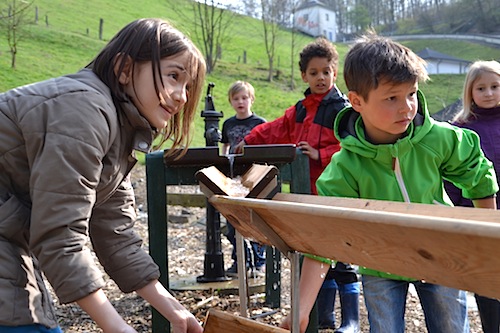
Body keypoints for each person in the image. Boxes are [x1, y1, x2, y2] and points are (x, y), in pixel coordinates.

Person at [0, 18, 206, 333]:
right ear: (124, 69)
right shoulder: (83, 110)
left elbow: (116, 235)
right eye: (174, 76)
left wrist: (174, 310)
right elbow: (60, 233)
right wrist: (118, 327)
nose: (181, 96)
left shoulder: (121, 132)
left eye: (188, 86)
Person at [284, 31, 498, 333]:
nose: (406, 107)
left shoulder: (438, 138)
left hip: (439, 252)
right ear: (357, 101)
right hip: (381, 260)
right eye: (391, 98)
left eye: (411, 94)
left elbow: (477, 173)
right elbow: (325, 236)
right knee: (384, 328)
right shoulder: (347, 166)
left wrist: (488, 244)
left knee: (451, 326)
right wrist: (302, 309)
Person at [235, 37, 360, 333]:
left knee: (341, 256)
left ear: (335, 73)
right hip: (307, 195)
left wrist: (322, 154)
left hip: (335, 194)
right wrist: (247, 141)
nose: (320, 77)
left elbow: (354, 145)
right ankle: (324, 315)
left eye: (326, 71)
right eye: (314, 72)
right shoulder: (300, 110)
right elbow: (274, 128)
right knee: (315, 253)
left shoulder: (343, 109)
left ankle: (352, 320)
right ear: (304, 75)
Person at [444, 60, 500, 333]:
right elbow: (451, 175)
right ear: (470, 92)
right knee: (488, 277)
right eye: (481, 88)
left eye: (495, 86)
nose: (489, 93)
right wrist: (466, 206)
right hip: (479, 216)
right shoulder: (462, 128)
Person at [220, 80, 267, 277]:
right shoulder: (228, 124)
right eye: (236, 98)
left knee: (256, 218)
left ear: (252, 99)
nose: (241, 102)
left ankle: (258, 261)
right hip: (235, 176)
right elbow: (224, 147)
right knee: (234, 221)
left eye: (244, 98)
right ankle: (240, 261)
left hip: (254, 175)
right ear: (231, 102)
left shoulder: (260, 124)